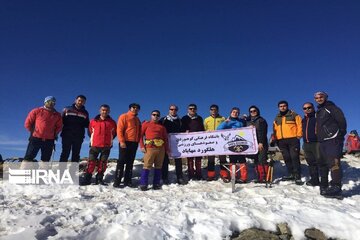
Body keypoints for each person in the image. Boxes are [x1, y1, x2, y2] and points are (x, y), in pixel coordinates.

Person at [314, 91, 347, 198]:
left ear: (326, 97)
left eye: (321, 97)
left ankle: (336, 187)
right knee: (325, 163)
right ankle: (330, 186)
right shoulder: (319, 111)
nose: (319, 99)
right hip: (322, 140)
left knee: (334, 162)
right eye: (317, 98)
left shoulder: (332, 108)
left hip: (332, 139)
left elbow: (341, 121)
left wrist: (340, 134)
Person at [81, 104, 117, 185]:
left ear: (109, 111)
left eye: (106, 110)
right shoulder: (93, 121)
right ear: (100, 111)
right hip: (95, 145)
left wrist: (109, 140)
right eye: (103, 110)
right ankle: (87, 178)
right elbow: (90, 132)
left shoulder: (112, 122)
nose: (105, 111)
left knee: (103, 163)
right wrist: (94, 139)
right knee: (91, 162)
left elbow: (114, 134)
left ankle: (99, 179)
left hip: (106, 146)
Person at [272, 100, 303, 185]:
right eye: (281, 106)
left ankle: (297, 176)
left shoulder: (294, 115)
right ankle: (291, 174)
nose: (283, 107)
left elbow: (300, 124)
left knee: (294, 157)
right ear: (278, 108)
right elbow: (274, 129)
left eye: (284, 106)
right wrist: (275, 138)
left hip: (293, 139)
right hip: (281, 141)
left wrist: (299, 135)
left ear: (287, 106)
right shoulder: (277, 118)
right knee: (287, 158)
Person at [23, 96, 62, 163]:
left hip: (49, 140)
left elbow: (59, 126)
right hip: (36, 138)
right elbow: (28, 123)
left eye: (53, 102)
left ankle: (43, 172)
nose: (51, 103)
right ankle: (24, 172)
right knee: (29, 157)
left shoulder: (57, 115)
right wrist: (34, 132)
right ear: (45, 102)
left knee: (46, 159)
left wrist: (54, 134)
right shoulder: (36, 111)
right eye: (49, 101)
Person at [113, 103, 142, 188]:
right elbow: (119, 129)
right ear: (130, 108)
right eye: (133, 107)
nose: (135, 109)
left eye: (137, 108)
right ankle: (117, 180)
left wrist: (138, 142)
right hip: (125, 142)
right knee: (121, 161)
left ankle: (127, 180)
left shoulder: (137, 119)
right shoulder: (124, 116)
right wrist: (122, 141)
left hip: (134, 143)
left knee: (130, 162)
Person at [139, 110, 169, 190]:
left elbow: (165, 139)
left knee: (158, 166)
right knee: (147, 166)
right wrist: (142, 146)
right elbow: (140, 135)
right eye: (154, 114)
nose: (155, 116)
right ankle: (143, 184)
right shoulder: (146, 124)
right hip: (149, 148)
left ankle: (156, 183)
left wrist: (167, 149)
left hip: (160, 148)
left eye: (157, 115)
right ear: (151, 115)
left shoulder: (162, 127)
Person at [217, 107, 247, 183]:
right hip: (231, 144)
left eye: (237, 112)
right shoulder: (227, 121)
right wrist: (225, 122)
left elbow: (246, 127)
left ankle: (244, 178)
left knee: (242, 160)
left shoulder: (241, 121)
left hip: (240, 142)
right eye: (233, 112)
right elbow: (218, 129)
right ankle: (233, 177)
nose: (235, 113)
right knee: (233, 161)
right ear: (231, 113)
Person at [160, 104, 187, 185]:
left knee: (178, 160)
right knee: (165, 160)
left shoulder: (180, 120)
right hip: (165, 142)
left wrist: (186, 133)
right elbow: (158, 128)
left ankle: (180, 177)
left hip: (177, 143)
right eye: (171, 109)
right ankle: (164, 177)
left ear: (177, 111)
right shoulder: (163, 119)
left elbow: (183, 130)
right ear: (169, 110)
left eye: (175, 109)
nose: (173, 111)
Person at [59, 95, 89, 163]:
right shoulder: (66, 109)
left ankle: (72, 172)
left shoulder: (85, 112)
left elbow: (87, 124)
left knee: (76, 155)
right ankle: (61, 172)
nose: (80, 102)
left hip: (79, 136)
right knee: (65, 153)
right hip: (67, 135)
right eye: (79, 100)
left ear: (84, 103)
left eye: (83, 101)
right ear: (75, 100)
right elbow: (60, 122)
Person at [181, 104, 205, 180]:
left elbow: (202, 128)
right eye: (190, 108)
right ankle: (191, 174)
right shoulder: (184, 118)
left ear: (196, 109)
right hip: (189, 141)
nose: (192, 110)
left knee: (198, 159)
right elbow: (181, 128)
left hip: (198, 141)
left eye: (194, 108)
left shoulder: (200, 118)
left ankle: (198, 174)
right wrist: (184, 132)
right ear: (188, 110)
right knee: (190, 159)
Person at [301, 102, 322, 186]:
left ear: (313, 108)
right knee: (311, 163)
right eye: (305, 108)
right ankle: (314, 180)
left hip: (316, 142)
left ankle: (325, 181)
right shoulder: (303, 120)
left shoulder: (318, 117)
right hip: (306, 143)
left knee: (320, 162)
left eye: (309, 107)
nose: (307, 109)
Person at [246, 105, 268, 183]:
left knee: (261, 160)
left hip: (261, 143)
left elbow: (263, 132)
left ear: (257, 111)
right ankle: (259, 176)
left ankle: (264, 177)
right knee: (256, 160)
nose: (253, 112)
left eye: (254, 111)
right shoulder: (248, 121)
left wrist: (261, 142)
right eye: (251, 111)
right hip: (253, 144)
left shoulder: (261, 120)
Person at [204, 104, 226, 181]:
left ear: (217, 110)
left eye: (215, 109)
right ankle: (211, 175)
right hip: (210, 142)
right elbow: (204, 130)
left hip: (221, 141)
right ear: (210, 111)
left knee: (222, 158)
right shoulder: (206, 119)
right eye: (212, 109)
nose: (213, 111)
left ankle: (224, 174)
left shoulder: (223, 118)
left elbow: (226, 128)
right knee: (210, 159)